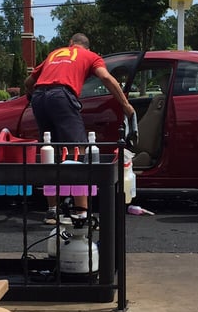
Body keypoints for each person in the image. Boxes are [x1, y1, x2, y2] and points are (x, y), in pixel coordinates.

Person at [24, 33, 135, 223]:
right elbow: (106, 77)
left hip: (39, 97)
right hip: (61, 95)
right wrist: (125, 105)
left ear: (70, 44)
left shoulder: (56, 53)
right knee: (78, 152)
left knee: (51, 153)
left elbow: (28, 83)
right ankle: (81, 212)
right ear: (87, 47)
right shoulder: (91, 56)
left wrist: (36, 99)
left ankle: (52, 210)